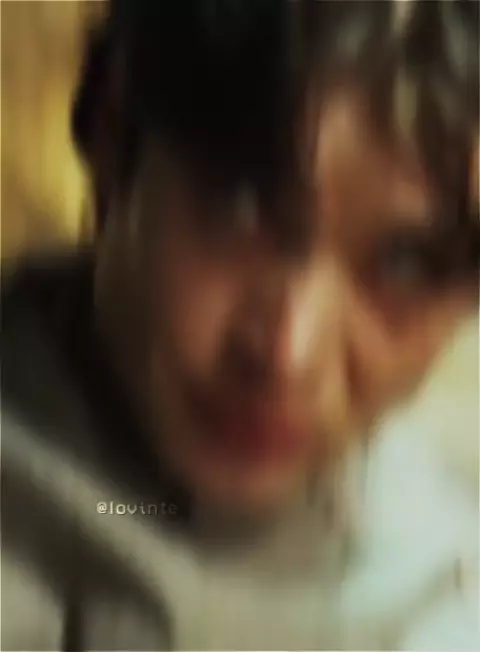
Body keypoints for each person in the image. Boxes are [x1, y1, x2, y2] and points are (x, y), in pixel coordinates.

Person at [1, 1, 479, 649]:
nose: (288, 350)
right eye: (243, 206)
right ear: (116, 138)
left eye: (407, 264)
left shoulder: (427, 547)